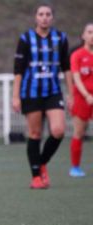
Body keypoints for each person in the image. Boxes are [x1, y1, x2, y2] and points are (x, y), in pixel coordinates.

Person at [12, 4, 72, 189]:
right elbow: (18, 71)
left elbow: (66, 67)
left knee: (58, 131)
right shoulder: (26, 38)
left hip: (53, 91)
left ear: (52, 18)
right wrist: (15, 96)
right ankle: (36, 177)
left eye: (48, 14)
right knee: (35, 133)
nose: (44, 17)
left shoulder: (60, 38)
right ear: (35, 17)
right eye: (41, 14)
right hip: (31, 92)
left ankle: (42, 162)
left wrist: (71, 93)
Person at [69, 23, 93, 177]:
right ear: (83, 35)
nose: (92, 35)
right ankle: (75, 167)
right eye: (89, 32)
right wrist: (87, 95)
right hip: (82, 98)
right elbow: (76, 78)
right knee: (79, 132)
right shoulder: (77, 55)